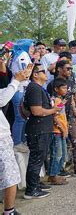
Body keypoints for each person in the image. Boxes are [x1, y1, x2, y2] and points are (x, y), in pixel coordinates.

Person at [23, 64, 62, 199]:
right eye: (42, 71)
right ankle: (31, 190)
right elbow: (36, 111)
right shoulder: (34, 88)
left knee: (39, 158)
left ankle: (35, 184)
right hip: (38, 130)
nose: (46, 73)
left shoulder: (38, 88)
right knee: (36, 159)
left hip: (42, 128)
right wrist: (53, 110)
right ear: (35, 75)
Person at [47, 60, 76, 177]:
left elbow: (72, 102)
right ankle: (56, 172)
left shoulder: (71, 82)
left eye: (71, 68)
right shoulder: (53, 84)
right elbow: (53, 103)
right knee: (59, 147)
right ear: (59, 69)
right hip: (57, 119)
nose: (70, 71)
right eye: (67, 68)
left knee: (75, 141)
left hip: (69, 117)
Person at [0, 66, 31, 214]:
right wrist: (16, 81)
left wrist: (19, 81)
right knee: (10, 175)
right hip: (1, 138)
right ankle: (9, 211)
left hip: (3, 137)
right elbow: (2, 100)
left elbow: (4, 93)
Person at [9, 39, 34, 148]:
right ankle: (17, 142)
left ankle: (21, 140)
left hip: (20, 88)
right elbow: (25, 73)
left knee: (23, 117)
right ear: (25, 46)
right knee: (20, 118)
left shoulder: (21, 54)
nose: (33, 48)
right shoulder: (23, 54)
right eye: (31, 46)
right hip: (19, 89)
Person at [47, 78, 69, 185]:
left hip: (61, 131)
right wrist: (62, 129)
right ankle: (52, 175)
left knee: (61, 153)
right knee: (57, 154)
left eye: (66, 88)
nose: (66, 89)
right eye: (63, 88)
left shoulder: (59, 100)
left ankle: (56, 173)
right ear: (56, 89)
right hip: (56, 132)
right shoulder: (55, 100)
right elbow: (55, 116)